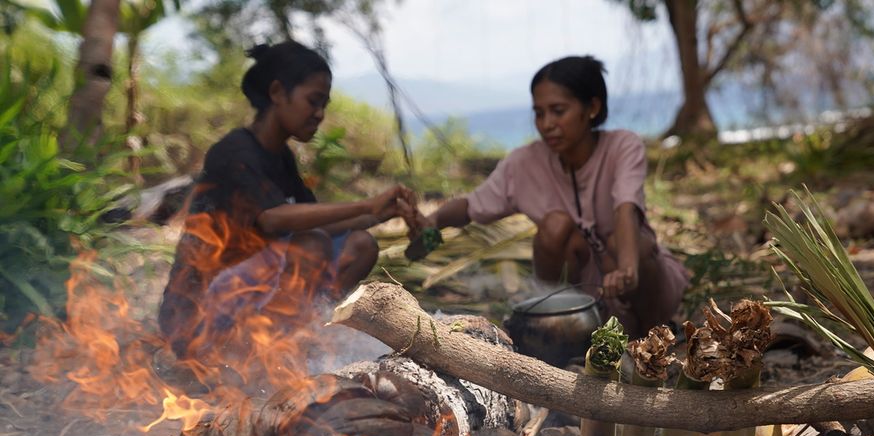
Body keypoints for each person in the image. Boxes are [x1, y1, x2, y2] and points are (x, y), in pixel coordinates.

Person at [159, 41, 414, 359]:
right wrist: (366, 205)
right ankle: (255, 354)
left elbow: (326, 222)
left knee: (361, 245)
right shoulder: (234, 152)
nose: (320, 114)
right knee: (311, 244)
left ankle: (299, 335)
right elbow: (274, 218)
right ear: (278, 92)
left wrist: (383, 212)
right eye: (313, 101)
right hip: (196, 313)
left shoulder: (281, 158)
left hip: (248, 291)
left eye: (324, 104)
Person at [408, 55, 688, 337]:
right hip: (588, 299)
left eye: (558, 111)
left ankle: (654, 337)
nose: (546, 124)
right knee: (554, 226)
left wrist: (628, 269)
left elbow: (626, 208)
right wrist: (433, 220)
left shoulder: (623, 146)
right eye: (539, 113)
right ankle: (556, 328)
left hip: (641, 280)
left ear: (592, 107)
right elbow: (471, 205)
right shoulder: (525, 163)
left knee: (628, 243)